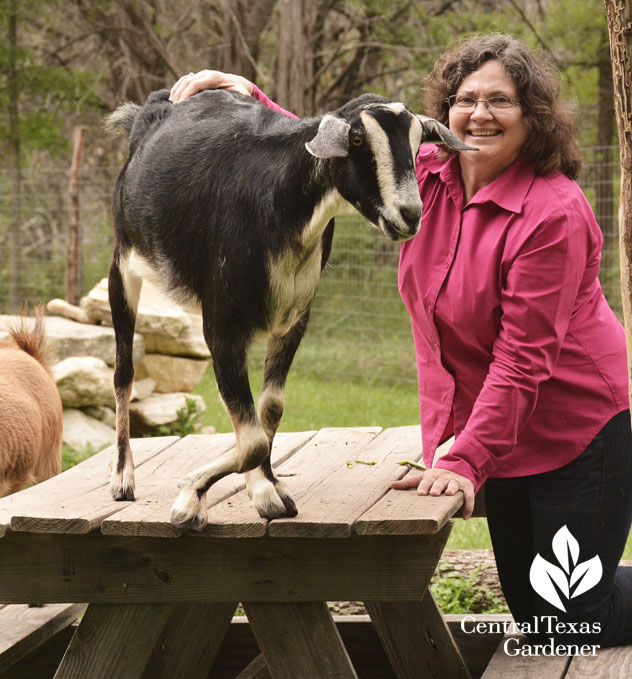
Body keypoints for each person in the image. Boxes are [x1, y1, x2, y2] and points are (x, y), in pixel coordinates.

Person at [169, 33, 632, 649]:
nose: (481, 114)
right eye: (466, 98)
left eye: (502, 100)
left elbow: (522, 360)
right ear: (445, 111)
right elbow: (348, 139)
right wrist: (249, 94)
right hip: (499, 432)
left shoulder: (554, 212)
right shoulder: (428, 176)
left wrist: (465, 459)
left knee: (577, 621)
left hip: (577, 429)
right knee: (537, 608)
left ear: (534, 117)